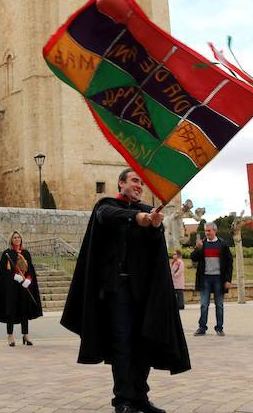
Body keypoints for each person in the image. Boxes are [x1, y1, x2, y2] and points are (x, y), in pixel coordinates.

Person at [61, 168, 190, 413]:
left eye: (141, 182)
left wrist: (153, 226)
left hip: (144, 292)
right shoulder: (106, 206)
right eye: (134, 180)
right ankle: (122, 400)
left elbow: (154, 250)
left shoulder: (148, 212)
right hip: (117, 290)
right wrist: (139, 218)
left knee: (143, 343)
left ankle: (140, 397)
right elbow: (108, 216)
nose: (139, 185)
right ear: (121, 183)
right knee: (122, 343)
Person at [0, 230, 42, 347]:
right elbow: (3, 273)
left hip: (24, 287)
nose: (17, 239)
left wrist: (28, 280)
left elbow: (30, 270)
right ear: (11, 240)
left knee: (24, 311)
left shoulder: (26, 253)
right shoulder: (7, 254)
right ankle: (10, 336)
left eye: (18, 237)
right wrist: (14, 277)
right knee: (10, 311)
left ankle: (25, 335)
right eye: (14, 237)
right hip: (11, 288)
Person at [190, 221, 233, 337]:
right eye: (206, 231)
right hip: (205, 279)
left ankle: (219, 328)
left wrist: (228, 280)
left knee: (219, 305)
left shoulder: (223, 244)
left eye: (209, 231)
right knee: (204, 304)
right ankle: (202, 328)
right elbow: (193, 258)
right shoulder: (202, 244)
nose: (207, 233)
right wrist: (197, 248)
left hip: (219, 278)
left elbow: (229, 263)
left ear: (215, 230)